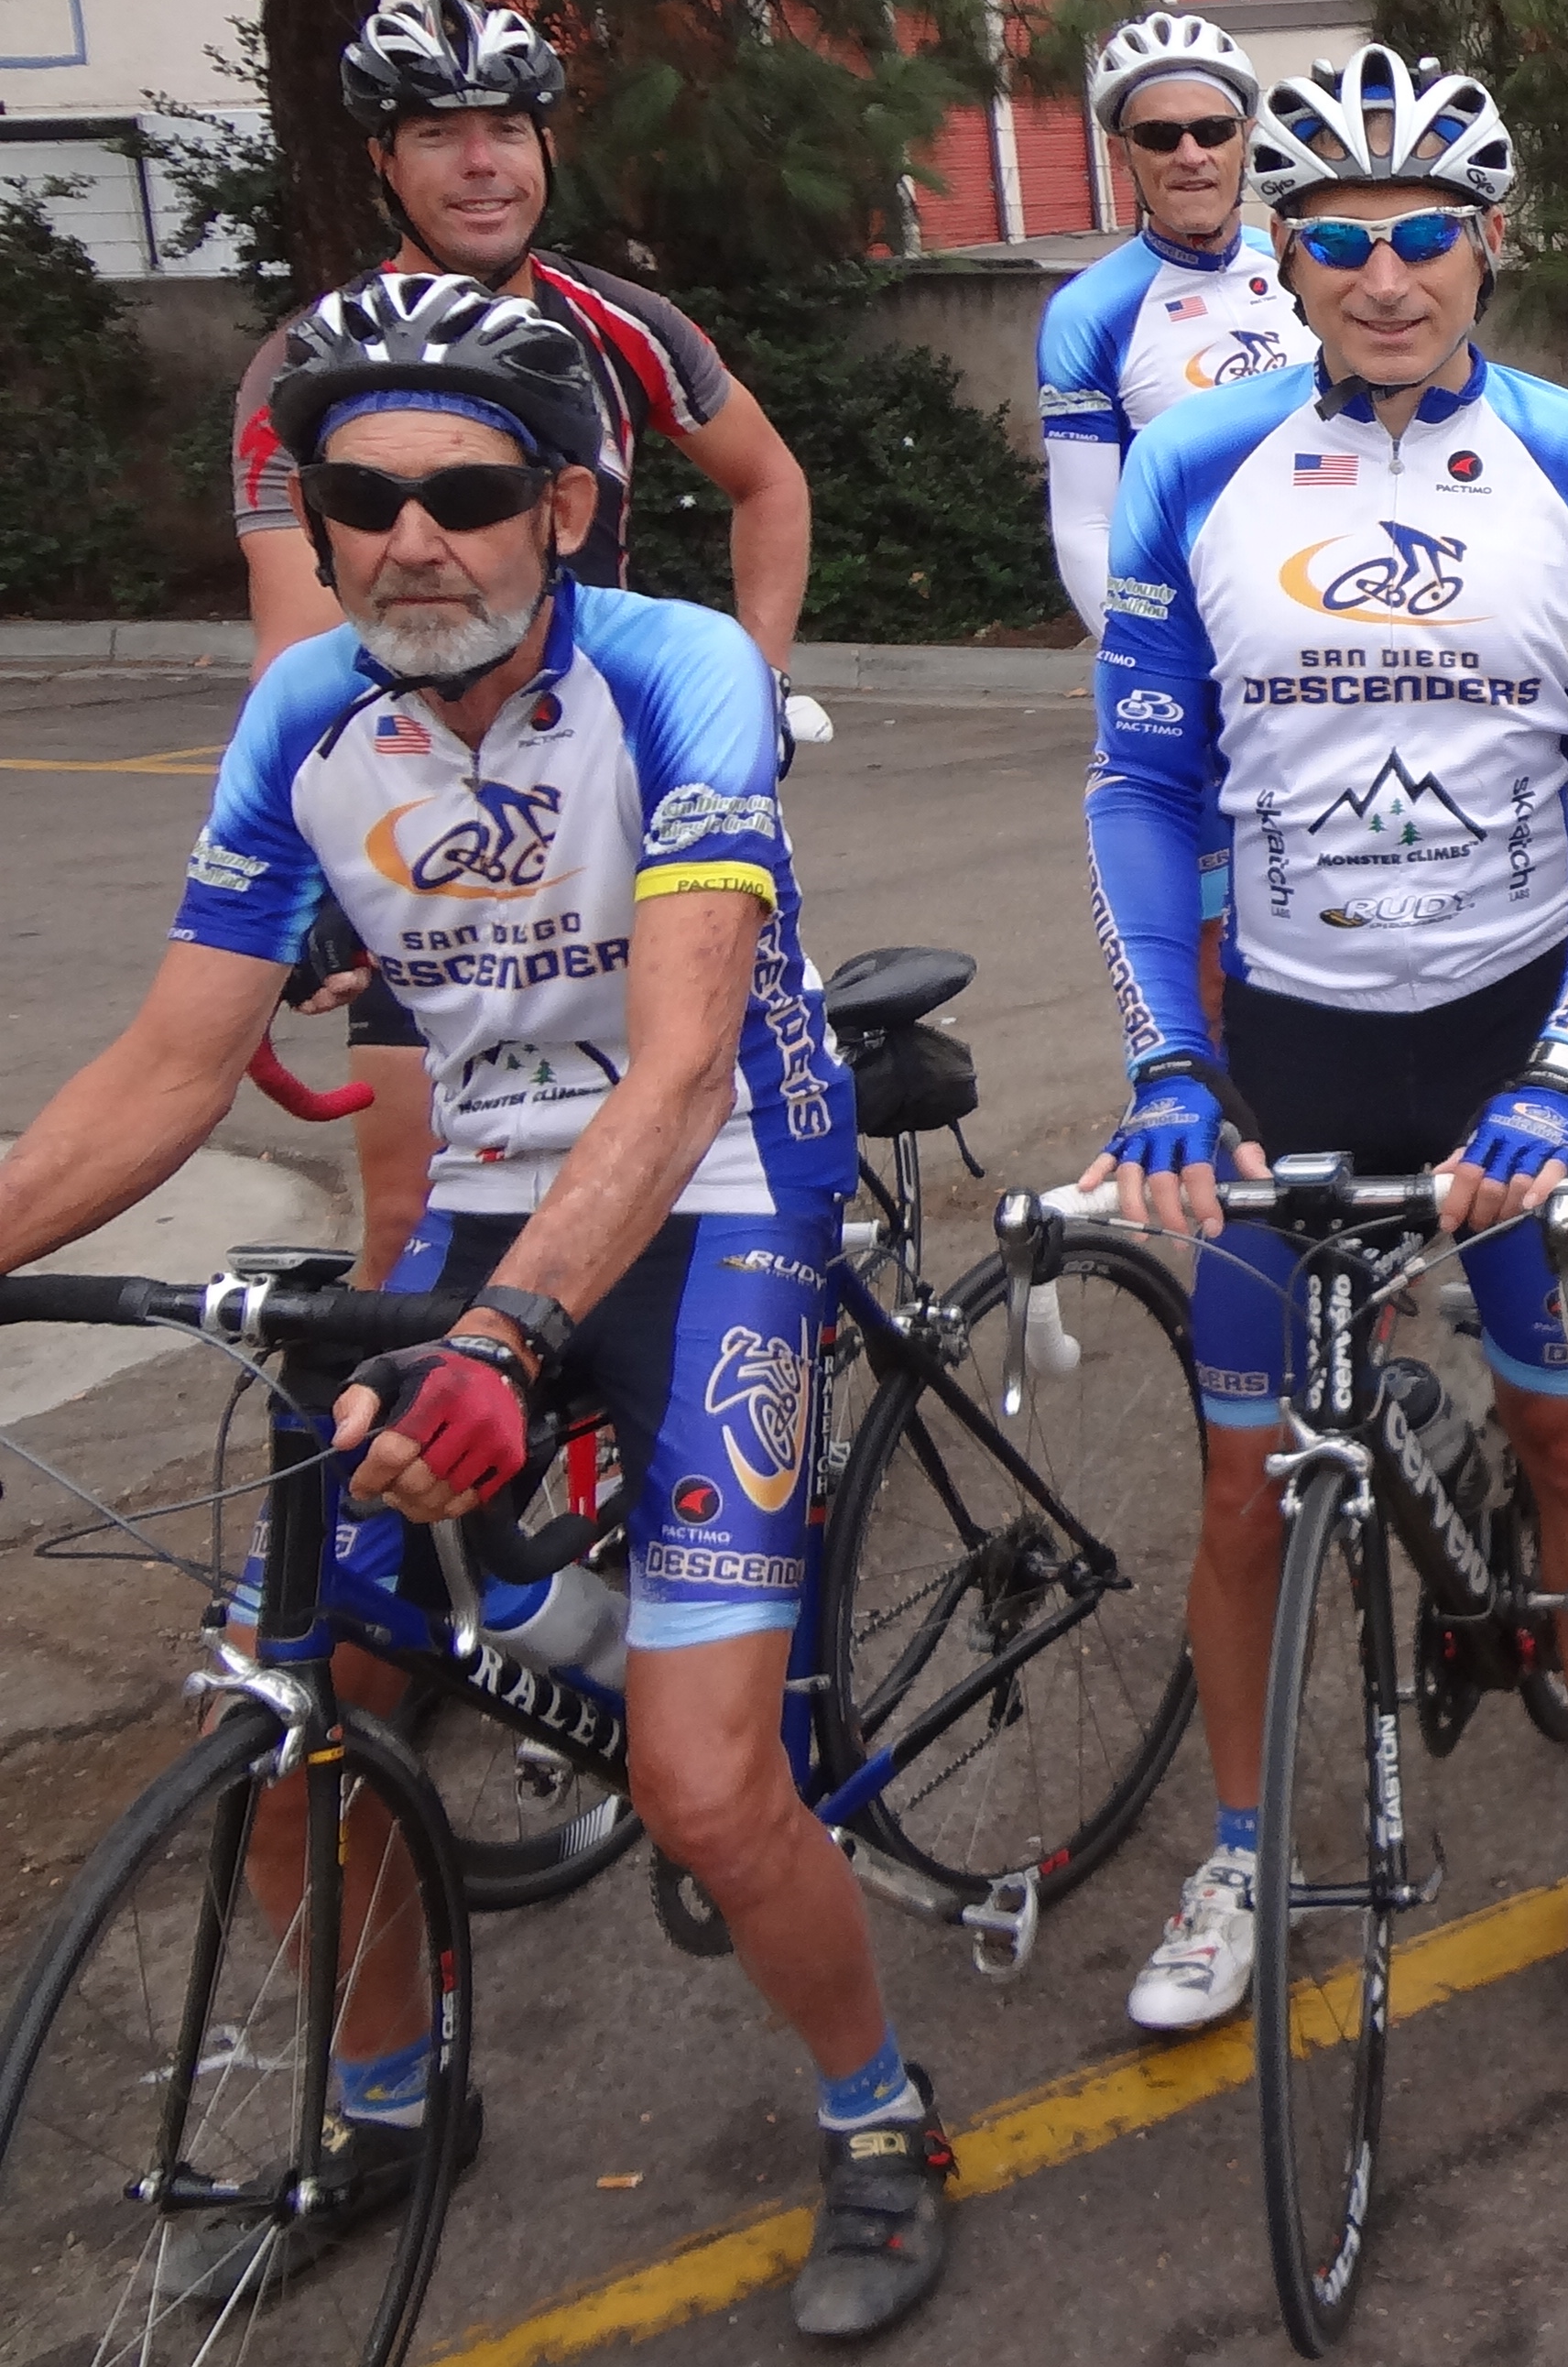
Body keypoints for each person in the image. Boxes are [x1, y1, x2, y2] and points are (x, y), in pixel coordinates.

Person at [0, 276, 954, 2337]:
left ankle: (877, 2111)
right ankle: (387, 2102)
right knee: (282, 1715)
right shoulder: (300, 715)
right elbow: (174, 1063)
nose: (413, 539)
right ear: (319, 522)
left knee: (706, 1785)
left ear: (566, 507)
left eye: (468, 493)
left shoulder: (677, 670)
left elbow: (680, 1069)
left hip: (725, 1181)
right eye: (363, 498)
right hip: (491, 1188)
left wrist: (506, 1341)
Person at [1079, 44, 1568, 2016]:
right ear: (1282, 258)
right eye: (1337, 241)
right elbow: (1138, 785)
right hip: (1290, 1042)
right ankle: (1239, 1854)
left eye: (1423, 233)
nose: (1384, 274)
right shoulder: (1197, 463)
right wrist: (1169, 1060)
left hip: (1514, 1032)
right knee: (1243, 1478)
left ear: (1488, 242)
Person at [231, 0, 819, 1288]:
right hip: (420, 807)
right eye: (436, 135)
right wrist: (308, 875)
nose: (480, 163)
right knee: (408, 1225)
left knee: (684, 1151)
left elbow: (768, 481)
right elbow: (298, 639)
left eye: (505, 128)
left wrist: (758, 679)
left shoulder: (626, 325)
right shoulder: (311, 364)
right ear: (382, 161)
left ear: (548, 145)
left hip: (612, 790)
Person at [1042, 9, 1308, 1039]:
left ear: (1245, 139)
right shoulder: (1092, 311)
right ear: (1126, 152)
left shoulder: (1307, 264)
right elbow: (1085, 521)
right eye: (1161, 135)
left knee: (1337, 928)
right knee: (1202, 972)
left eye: (1212, 129)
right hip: (1193, 665)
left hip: (1323, 643)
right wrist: (1151, 666)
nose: (1190, 153)